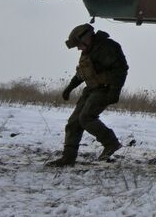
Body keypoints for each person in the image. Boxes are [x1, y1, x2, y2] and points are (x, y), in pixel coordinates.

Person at [45, 23, 128, 167]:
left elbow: (120, 70)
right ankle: (68, 159)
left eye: (79, 44)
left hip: (105, 89)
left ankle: (111, 143)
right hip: (92, 89)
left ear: (87, 38)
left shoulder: (106, 47)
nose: (78, 48)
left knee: (86, 118)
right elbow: (82, 74)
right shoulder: (88, 51)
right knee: (74, 122)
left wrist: (114, 92)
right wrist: (69, 88)